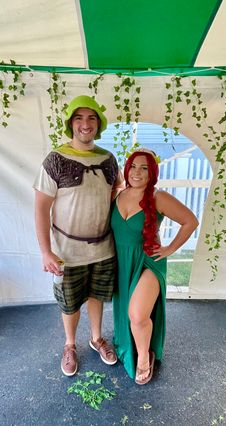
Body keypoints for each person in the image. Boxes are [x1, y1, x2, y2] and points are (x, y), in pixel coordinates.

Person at [33, 95, 124, 376]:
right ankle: (70, 345)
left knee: (97, 296)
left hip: (103, 249)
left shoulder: (108, 159)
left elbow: (116, 195)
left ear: (99, 123)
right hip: (66, 253)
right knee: (70, 303)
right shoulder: (55, 160)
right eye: (79, 118)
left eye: (92, 118)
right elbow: (41, 208)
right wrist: (46, 252)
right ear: (71, 123)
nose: (86, 124)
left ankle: (96, 339)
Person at [111, 148, 199, 385]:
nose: (137, 172)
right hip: (123, 263)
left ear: (152, 173)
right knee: (128, 313)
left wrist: (170, 249)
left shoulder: (158, 197)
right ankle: (134, 345)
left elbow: (190, 221)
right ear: (126, 169)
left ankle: (143, 357)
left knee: (138, 315)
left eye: (145, 168)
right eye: (133, 166)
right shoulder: (116, 195)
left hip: (150, 262)